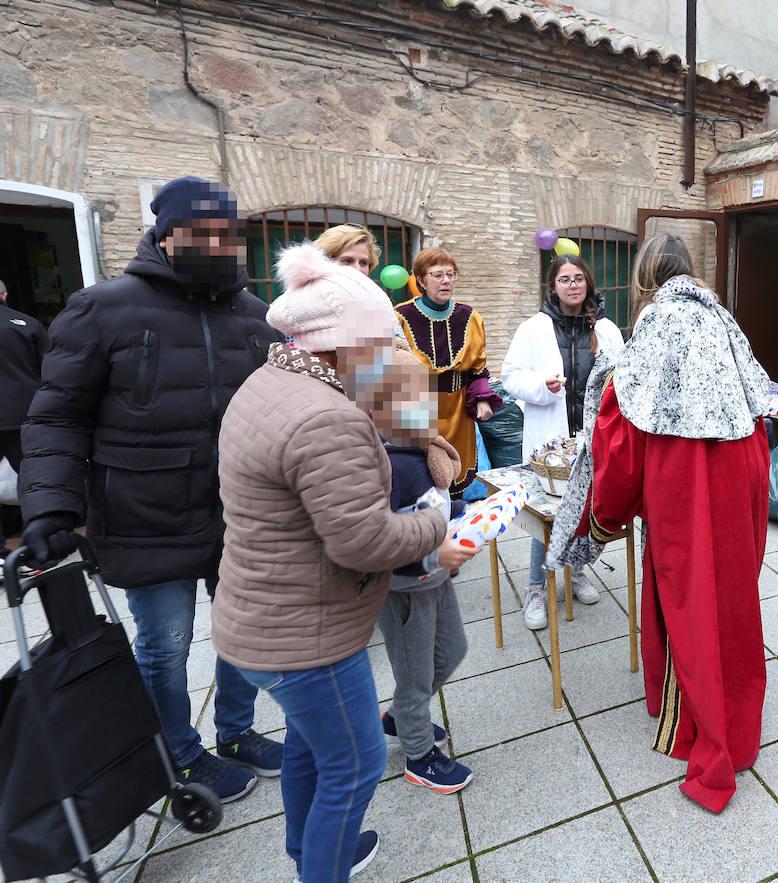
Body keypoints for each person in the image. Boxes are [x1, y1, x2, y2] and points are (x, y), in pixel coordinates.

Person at [20, 176, 283, 803]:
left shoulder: (254, 314)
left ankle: (237, 731)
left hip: (239, 513)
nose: (222, 246)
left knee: (244, 635)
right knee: (164, 646)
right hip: (146, 515)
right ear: (167, 235)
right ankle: (177, 755)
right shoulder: (101, 307)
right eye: (207, 233)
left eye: (231, 234)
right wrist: (52, 503)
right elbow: (56, 415)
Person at [214, 242, 450, 883]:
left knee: (310, 747)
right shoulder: (325, 416)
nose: (383, 363)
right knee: (353, 764)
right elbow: (363, 542)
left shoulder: (267, 382)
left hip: (259, 617)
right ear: (339, 344)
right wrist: (437, 519)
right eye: (375, 346)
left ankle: (310, 849)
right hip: (305, 634)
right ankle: (323, 864)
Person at [561, 233, 772, 813]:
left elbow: (625, 429)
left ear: (646, 278)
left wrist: (601, 515)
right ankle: (737, 708)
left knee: (691, 595)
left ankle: (707, 726)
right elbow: (758, 401)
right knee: (730, 592)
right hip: (745, 464)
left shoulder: (656, 322)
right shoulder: (721, 317)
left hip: (689, 472)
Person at [374, 349, 479, 794]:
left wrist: (467, 508)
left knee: (451, 652)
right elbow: (383, 536)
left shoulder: (421, 450)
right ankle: (418, 755)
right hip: (406, 586)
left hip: (436, 579)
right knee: (415, 676)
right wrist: (434, 556)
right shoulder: (388, 464)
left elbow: (432, 506)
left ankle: (401, 716)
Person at [500, 254, 624, 629]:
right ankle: (537, 586)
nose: (572, 285)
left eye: (578, 278)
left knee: (584, 508)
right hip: (550, 438)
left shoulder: (607, 329)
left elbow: (622, 378)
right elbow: (509, 376)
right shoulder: (533, 329)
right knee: (548, 516)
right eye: (564, 280)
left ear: (587, 282)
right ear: (552, 286)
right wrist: (542, 386)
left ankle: (578, 571)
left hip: (590, 436)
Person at [393, 248, 502, 492]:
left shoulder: (469, 316)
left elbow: (478, 368)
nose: (446, 281)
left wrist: (483, 399)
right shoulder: (400, 316)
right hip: (418, 410)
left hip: (459, 412)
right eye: (438, 275)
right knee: (424, 477)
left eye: (451, 275)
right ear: (421, 280)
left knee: (458, 476)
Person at [0, 278, 47, 488]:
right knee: (34, 479)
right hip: (23, 414)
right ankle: (37, 520)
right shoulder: (28, 324)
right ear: (4, 295)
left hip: (21, 415)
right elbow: (52, 370)